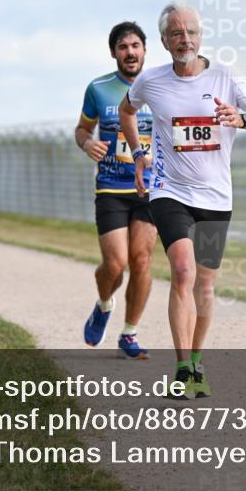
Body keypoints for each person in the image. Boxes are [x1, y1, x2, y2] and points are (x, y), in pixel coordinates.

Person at [120, 2, 246, 398]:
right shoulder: (151, 81)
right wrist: (139, 154)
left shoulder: (226, 77)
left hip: (216, 197)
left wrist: (238, 119)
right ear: (165, 42)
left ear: (200, 36)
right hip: (169, 190)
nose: (184, 39)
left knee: (205, 286)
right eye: (176, 33)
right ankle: (183, 367)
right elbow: (127, 110)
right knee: (184, 272)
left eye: (190, 32)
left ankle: (198, 362)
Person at [76, 21, 158, 359]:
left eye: (135, 45)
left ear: (144, 50)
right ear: (114, 53)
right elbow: (82, 130)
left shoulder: (160, 86)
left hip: (150, 189)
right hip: (111, 188)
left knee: (141, 260)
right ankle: (104, 304)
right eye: (123, 47)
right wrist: (87, 144)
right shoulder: (98, 89)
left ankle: (129, 332)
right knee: (115, 264)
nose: (130, 52)